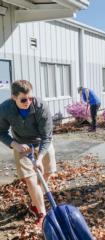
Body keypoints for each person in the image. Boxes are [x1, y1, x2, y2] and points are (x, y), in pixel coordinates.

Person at [0, 80, 56, 227]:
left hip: (42, 143)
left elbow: (47, 136)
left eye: (30, 98)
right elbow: (1, 132)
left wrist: (40, 157)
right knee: (31, 180)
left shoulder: (40, 106)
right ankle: (42, 213)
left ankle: (34, 202)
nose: (28, 102)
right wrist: (15, 145)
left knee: (46, 174)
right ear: (13, 97)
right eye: (24, 100)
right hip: (21, 146)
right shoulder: (5, 109)